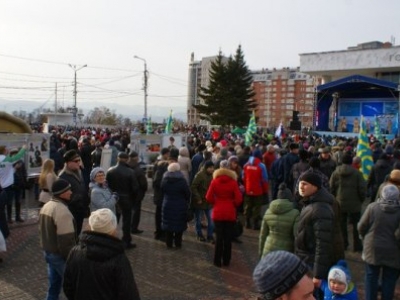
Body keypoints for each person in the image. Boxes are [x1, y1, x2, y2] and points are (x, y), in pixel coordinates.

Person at [63, 208, 141, 300]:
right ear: (112, 229)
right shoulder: (118, 259)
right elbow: (128, 294)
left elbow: (68, 286)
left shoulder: (75, 252)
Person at [358, 184, 400, 300]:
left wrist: (364, 239)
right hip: (394, 250)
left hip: (372, 247)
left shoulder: (372, 207)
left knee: (371, 277)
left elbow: (361, 226)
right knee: (389, 279)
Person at [295, 172, 335, 291]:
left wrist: (317, 274)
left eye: (305, 184)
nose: (301, 187)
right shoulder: (309, 203)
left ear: (315, 186)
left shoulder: (320, 209)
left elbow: (322, 244)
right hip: (305, 259)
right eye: (300, 184)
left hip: (311, 262)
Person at [39, 178, 77, 300]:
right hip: (59, 256)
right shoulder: (62, 211)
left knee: (54, 286)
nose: (71, 192)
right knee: (74, 285)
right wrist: (72, 259)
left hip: (48, 252)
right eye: (68, 190)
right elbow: (66, 241)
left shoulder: (47, 206)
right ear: (62, 193)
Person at [206, 162, 242, 267]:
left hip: (217, 211)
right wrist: (232, 203)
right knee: (228, 238)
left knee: (218, 237)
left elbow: (208, 197)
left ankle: (217, 260)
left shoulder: (214, 181)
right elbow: (239, 199)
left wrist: (215, 202)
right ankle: (226, 260)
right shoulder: (233, 182)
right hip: (230, 212)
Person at [330, 154, 366, 252]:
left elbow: (331, 187)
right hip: (355, 204)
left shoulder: (336, 173)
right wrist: (361, 200)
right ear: (351, 162)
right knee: (356, 226)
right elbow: (362, 189)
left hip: (340, 202)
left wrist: (335, 199)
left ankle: (344, 244)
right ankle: (357, 246)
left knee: (342, 226)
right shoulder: (357, 173)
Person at [107, 152, 139, 249]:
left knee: (113, 220)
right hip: (126, 199)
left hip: (114, 198)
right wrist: (133, 199)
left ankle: (110, 241)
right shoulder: (130, 172)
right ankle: (126, 241)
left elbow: (107, 186)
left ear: (117, 159)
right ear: (127, 159)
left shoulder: (110, 170)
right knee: (126, 221)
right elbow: (135, 188)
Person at [259, 183, 299, 258]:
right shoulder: (295, 214)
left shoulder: (268, 211)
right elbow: (296, 237)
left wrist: (261, 253)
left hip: (268, 250)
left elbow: (262, 235)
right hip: (285, 252)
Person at [59, 149, 90, 235]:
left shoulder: (79, 173)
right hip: (71, 213)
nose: (79, 163)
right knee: (72, 235)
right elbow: (62, 197)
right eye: (76, 161)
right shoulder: (63, 177)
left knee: (77, 232)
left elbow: (82, 188)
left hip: (80, 211)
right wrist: (79, 199)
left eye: (79, 160)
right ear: (68, 163)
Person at [161, 162, 190, 249]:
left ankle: (168, 243)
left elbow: (162, 191)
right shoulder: (182, 181)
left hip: (167, 203)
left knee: (168, 224)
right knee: (179, 224)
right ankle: (178, 243)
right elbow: (187, 193)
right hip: (180, 205)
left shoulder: (164, 180)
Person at [0, 145, 27, 225]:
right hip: (9, 185)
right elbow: (18, 157)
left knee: (16, 201)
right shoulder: (7, 160)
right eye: (6, 150)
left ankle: (15, 217)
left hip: (14, 184)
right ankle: (8, 219)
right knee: (9, 202)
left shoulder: (8, 160)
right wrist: (24, 148)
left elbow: (13, 171)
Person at [242, 152, 269, 230]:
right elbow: (265, 180)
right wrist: (265, 190)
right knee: (257, 207)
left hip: (248, 189)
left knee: (248, 205)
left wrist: (246, 186)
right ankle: (255, 224)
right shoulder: (261, 166)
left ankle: (247, 222)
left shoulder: (246, 165)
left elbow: (243, 177)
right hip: (258, 190)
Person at [190, 160, 214, 242]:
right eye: (210, 168)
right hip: (200, 201)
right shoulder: (199, 175)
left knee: (211, 220)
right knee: (198, 219)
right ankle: (199, 234)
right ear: (206, 167)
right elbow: (193, 186)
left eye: (213, 168)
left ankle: (210, 235)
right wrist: (198, 198)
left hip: (209, 202)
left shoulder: (212, 176)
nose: (212, 169)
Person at [127, 151, 148, 234]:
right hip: (137, 193)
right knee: (136, 211)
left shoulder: (126, 167)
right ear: (135, 157)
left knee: (128, 211)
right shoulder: (138, 169)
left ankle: (128, 226)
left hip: (127, 193)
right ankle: (134, 228)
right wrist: (143, 191)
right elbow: (143, 183)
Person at [152, 148, 170, 240]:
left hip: (158, 194)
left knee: (159, 214)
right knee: (161, 214)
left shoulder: (157, 163)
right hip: (161, 195)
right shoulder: (162, 166)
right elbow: (157, 182)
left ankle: (158, 232)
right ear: (166, 154)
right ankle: (160, 233)